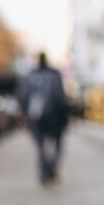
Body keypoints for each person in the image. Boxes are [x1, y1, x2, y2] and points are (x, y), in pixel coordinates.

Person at [16, 52, 69, 185]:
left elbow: (23, 96)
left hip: (35, 116)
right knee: (56, 143)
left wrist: (24, 112)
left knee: (39, 146)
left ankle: (43, 172)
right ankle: (51, 167)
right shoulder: (54, 75)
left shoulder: (29, 76)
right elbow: (60, 97)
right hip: (54, 115)